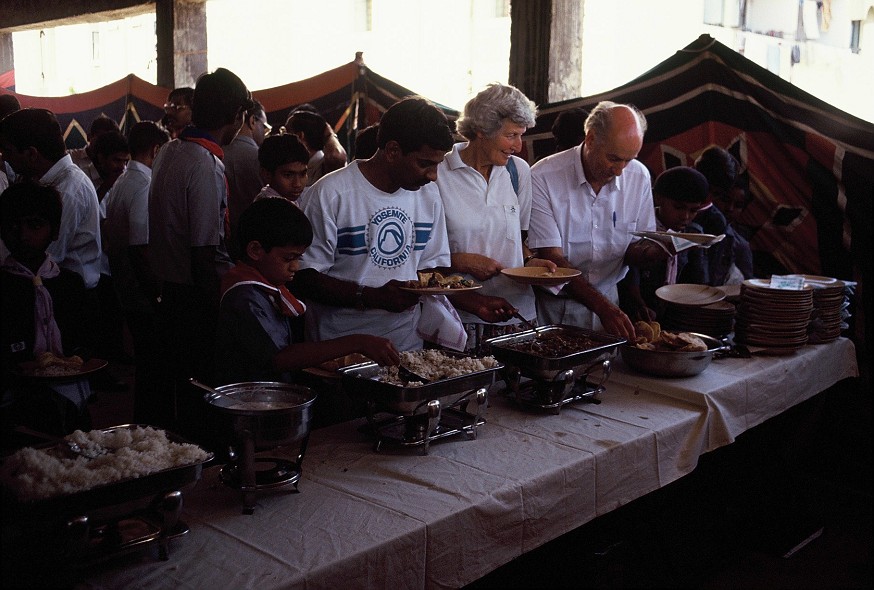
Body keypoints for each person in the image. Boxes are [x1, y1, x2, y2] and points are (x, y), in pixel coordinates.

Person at [295, 96, 516, 352]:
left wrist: (474, 302)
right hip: (339, 347)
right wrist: (370, 296)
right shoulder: (330, 194)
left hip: (406, 345)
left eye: (437, 165)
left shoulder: (428, 195)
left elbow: (430, 272)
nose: (433, 176)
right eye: (424, 164)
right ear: (392, 151)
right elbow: (304, 277)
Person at [148, 67, 253, 439]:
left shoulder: (169, 152)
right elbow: (204, 254)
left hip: (169, 291)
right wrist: (217, 313)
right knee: (204, 391)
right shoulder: (204, 164)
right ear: (239, 116)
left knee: (182, 390)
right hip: (194, 296)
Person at [216, 196, 399, 387]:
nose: (295, 267)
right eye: (289, 258)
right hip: (251, 399)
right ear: (255, 250)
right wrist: (357, 342)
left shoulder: (270, 286)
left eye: (298, 258)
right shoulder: (245, 296)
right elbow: (279, 359)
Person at [528, 101, 667, 341]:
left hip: (610, 303)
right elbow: (552, 258)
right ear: (590, 139)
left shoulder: (639, 175)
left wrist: (657, 251)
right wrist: (604, 309)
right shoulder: (543, 176)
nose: (620, 170)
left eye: (629, 160)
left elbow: (634, 249)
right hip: (552, 308)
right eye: (614, 159)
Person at [435, 83, 555, 353]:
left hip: (516, 314)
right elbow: (419, 254)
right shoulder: (439, 173)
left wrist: (531, 262)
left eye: (521, 135)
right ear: (482, 130)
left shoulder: (517, 171)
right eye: (511, 135)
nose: (519, 146)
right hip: (460, 315)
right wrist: (460, 261)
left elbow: (517, 239)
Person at [1, 183, 93, 438]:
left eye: (34, 225)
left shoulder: (69, 284)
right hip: (15, 406)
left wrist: (77, 356)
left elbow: (86, 338)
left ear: (54, 232)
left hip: (73, 399)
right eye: (12, 225)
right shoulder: (4, 286)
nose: (22, 235)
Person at [101, 121, 170, 425]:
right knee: (155, 366)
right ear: (156, 150)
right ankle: (153, 427)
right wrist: (157, 293)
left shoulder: (123, 181)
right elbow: (140, 248)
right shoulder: (142, 186)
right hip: (141, 291)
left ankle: (148, 422)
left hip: (127, 286)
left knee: (149, 365)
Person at [618, 166, 709, 321]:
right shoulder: (640, 228)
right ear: (658, 198)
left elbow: (698, 283)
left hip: (676, 316)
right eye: (678, 207)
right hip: (634, 314)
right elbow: (628, 273)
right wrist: (639, 305)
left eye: (693, 210)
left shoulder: (694, 234)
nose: (685, 216)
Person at [678, 146, 754, 286]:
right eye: (704, 187)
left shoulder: (716, 222)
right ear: (692, 170)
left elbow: (711, 276)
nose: (706, 196)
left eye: (716, 194)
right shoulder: (667, 197)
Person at [225, 99, 271, 246]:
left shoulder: (215, 154)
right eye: (265, 127)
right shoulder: (263, 159)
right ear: (252, 121)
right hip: (258, 244)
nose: (265, 133)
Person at [284, 109, 347, 185]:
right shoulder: (298, 165)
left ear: (299, 136)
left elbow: (336, 156)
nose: (282, 137)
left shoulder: (322, 165)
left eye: (286, 132)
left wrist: (330, 134)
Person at [253, 133, 310, 205]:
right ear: (267, 174)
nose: (297, 184)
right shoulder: (269, 208)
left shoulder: (289, 202)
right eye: (288, 175)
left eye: (303, 174)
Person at [89, 129, 130, 202]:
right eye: (117, 160)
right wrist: (105, 187)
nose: (123, 167)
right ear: (101, 158)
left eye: (125, 162)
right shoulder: (83, 180)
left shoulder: (123, 181)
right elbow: (85, 211)